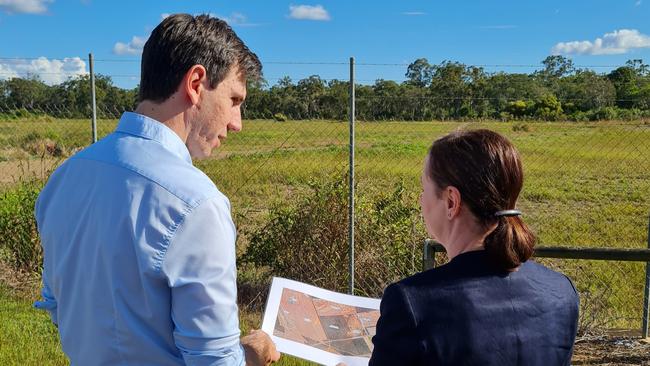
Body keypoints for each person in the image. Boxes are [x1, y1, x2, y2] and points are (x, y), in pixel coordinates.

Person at [34, 14, 280, 366]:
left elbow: (56, 303)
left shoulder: (64, 178)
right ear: (196, 83)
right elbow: (215, 362)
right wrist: (255, 355)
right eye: (235, 100)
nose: (236, 123)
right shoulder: (197, 204)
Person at [368, 129, 579, 365]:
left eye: (423, 189)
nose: (420, 200)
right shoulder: (561, 292)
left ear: (451, 201)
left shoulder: (412, 304)